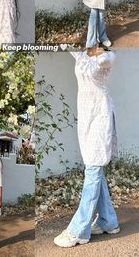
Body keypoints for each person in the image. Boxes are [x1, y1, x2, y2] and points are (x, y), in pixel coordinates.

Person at [54, 47, 120, 248]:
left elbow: (105, 61)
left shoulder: (107, 56)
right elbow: (65, 45)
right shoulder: (82, 53)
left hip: (100, 116)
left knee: (93, 169)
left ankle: (78, 230)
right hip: (85, 117)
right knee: (94, 170)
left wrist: (99, 51)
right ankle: (108, 221)